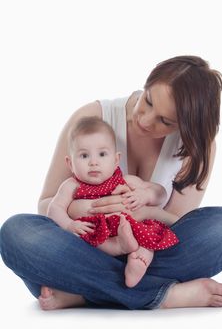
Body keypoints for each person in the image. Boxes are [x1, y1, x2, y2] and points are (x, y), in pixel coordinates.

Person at [1, 55, 222, 311]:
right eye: (148, 101)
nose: (145, 120)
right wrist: (81, 210)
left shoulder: (197, 148)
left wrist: (144, 211)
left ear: (187, 126)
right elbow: (45, 205)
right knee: (17, 232)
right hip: (88, 247)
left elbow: (178, 227)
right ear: (151, 76)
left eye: (165, 122)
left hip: (147, 254)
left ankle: (84, 295)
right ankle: (166, 296)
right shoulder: (92, 118)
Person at [47, 116, 179, 289]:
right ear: (70, 163)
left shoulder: (126, 181)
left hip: (131, 233)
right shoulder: (72, 186)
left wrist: (146, 195)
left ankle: (139, 262)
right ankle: (119, 249)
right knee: (81, 240)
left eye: (102, 154)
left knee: (148, 237)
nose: (93, 162)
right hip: (96, 242)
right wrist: (69, 225)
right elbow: (54, 208)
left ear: (116, 160)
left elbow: (160, 193)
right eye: (84, 155)